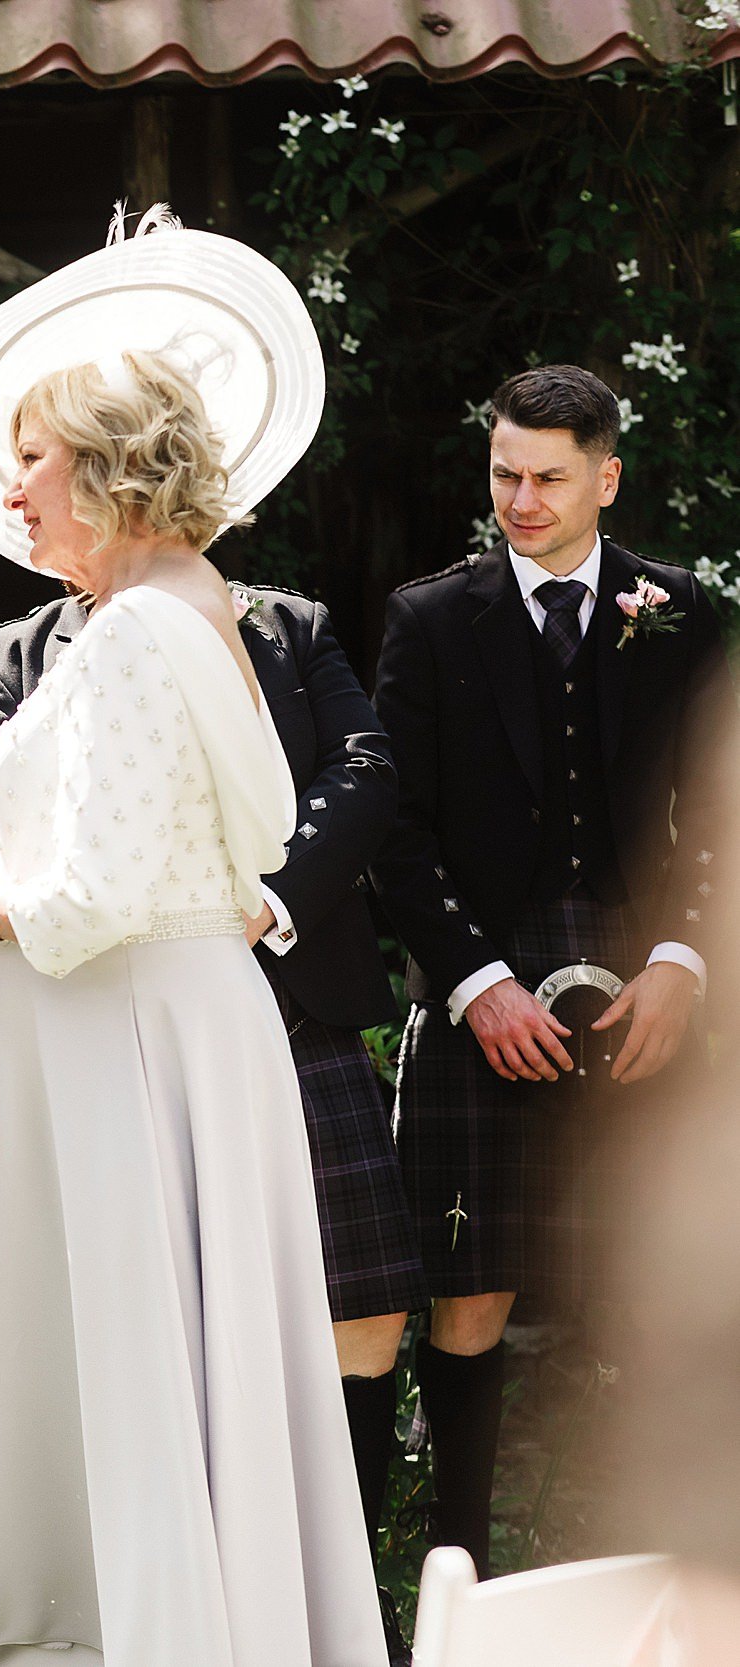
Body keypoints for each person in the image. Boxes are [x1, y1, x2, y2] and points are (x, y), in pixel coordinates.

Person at [0, 218, 385, 1666]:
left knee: (132, 1361)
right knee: (150, 1364)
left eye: (33, 460)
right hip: (166, 1024)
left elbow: (103, 899)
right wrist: (6, 871)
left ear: (112, 460)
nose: (9, 491)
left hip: (126, 1040)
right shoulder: (194, 616)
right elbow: (217, 853)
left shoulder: (133, 634)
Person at [0, 579, 426, 1561]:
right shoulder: (7, 659)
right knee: (171, 1327)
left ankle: (341, 1583)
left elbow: (364, 767)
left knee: (362, 1309)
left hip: (296, 1005)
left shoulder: (283, 625)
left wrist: (271, 896)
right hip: (122, 1022)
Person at [370, 363, 733, 1579]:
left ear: (606, 476)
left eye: (547, 478)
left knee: (653, 1285)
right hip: (487, 976)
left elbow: (718, 810)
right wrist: (475, 982)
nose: (519, 501)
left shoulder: (675, 608)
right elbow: (395, 830)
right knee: (469, 1291)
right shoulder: (428, 617)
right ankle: (458, 1575)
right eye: (502, 475)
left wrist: (685, 959)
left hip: (643, 983)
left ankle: (656, 1577)